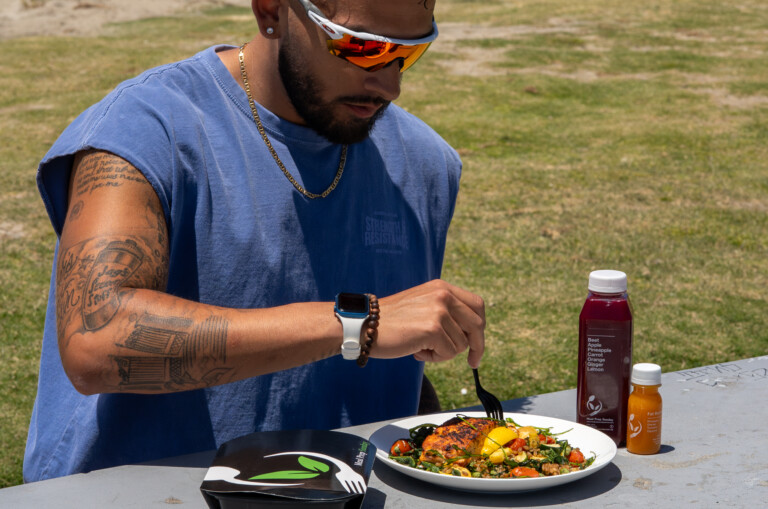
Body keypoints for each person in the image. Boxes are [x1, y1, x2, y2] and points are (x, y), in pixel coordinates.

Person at [24, 0, 485, 482]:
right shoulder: (143, 130)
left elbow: (380, 368)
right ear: (270, 10)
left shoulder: (426, 164)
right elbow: (96, 342)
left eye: (408, 53)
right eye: (362, 47)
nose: (388, 85)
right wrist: (356, 324)